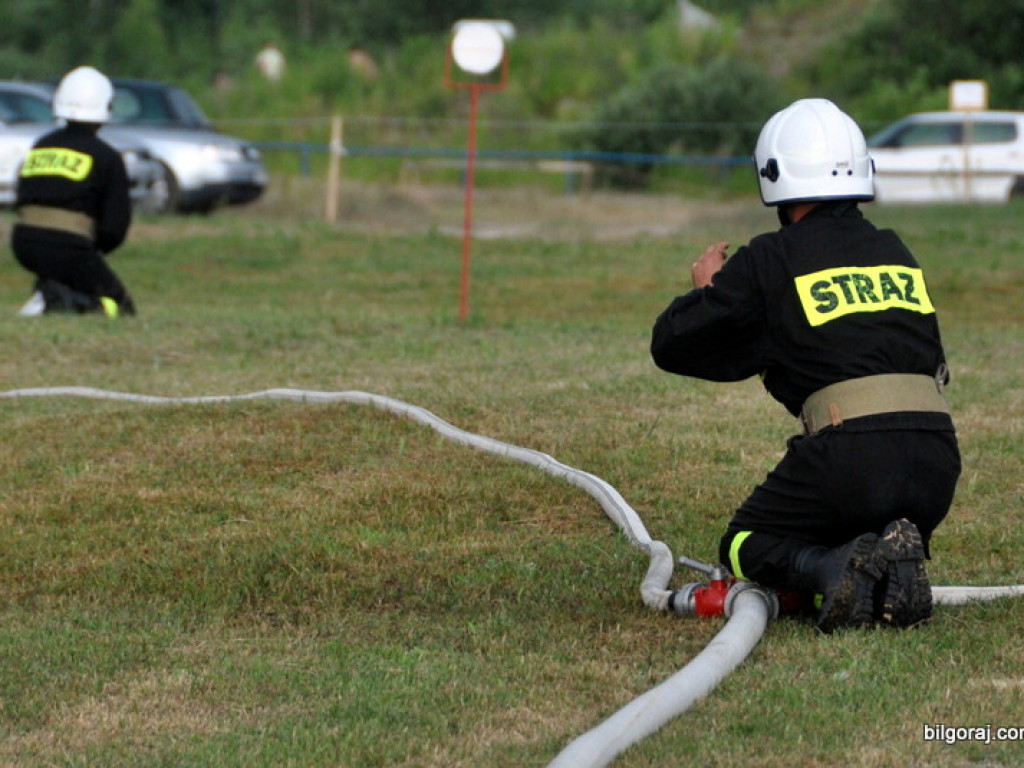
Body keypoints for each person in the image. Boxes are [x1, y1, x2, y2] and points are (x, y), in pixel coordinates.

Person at [650, 98, 960, 632]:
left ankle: (830, 565)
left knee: (745, 544)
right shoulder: (895, 251)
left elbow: (672, 345)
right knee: (855, 519)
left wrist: (710, 295)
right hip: (935, 463)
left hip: (850, 458)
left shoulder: (770, 258)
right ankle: (889, 559)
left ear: (772, 173)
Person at [11, 65, 136, 318]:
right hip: (71, 247)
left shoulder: (41, 145)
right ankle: (58, 300)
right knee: (119, 307)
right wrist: (89, 250)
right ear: (106, 107)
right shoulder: (107, 157)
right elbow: (114, 227)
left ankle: (49, 291)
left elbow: (22, 196)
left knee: (67, 272)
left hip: (23, 244)